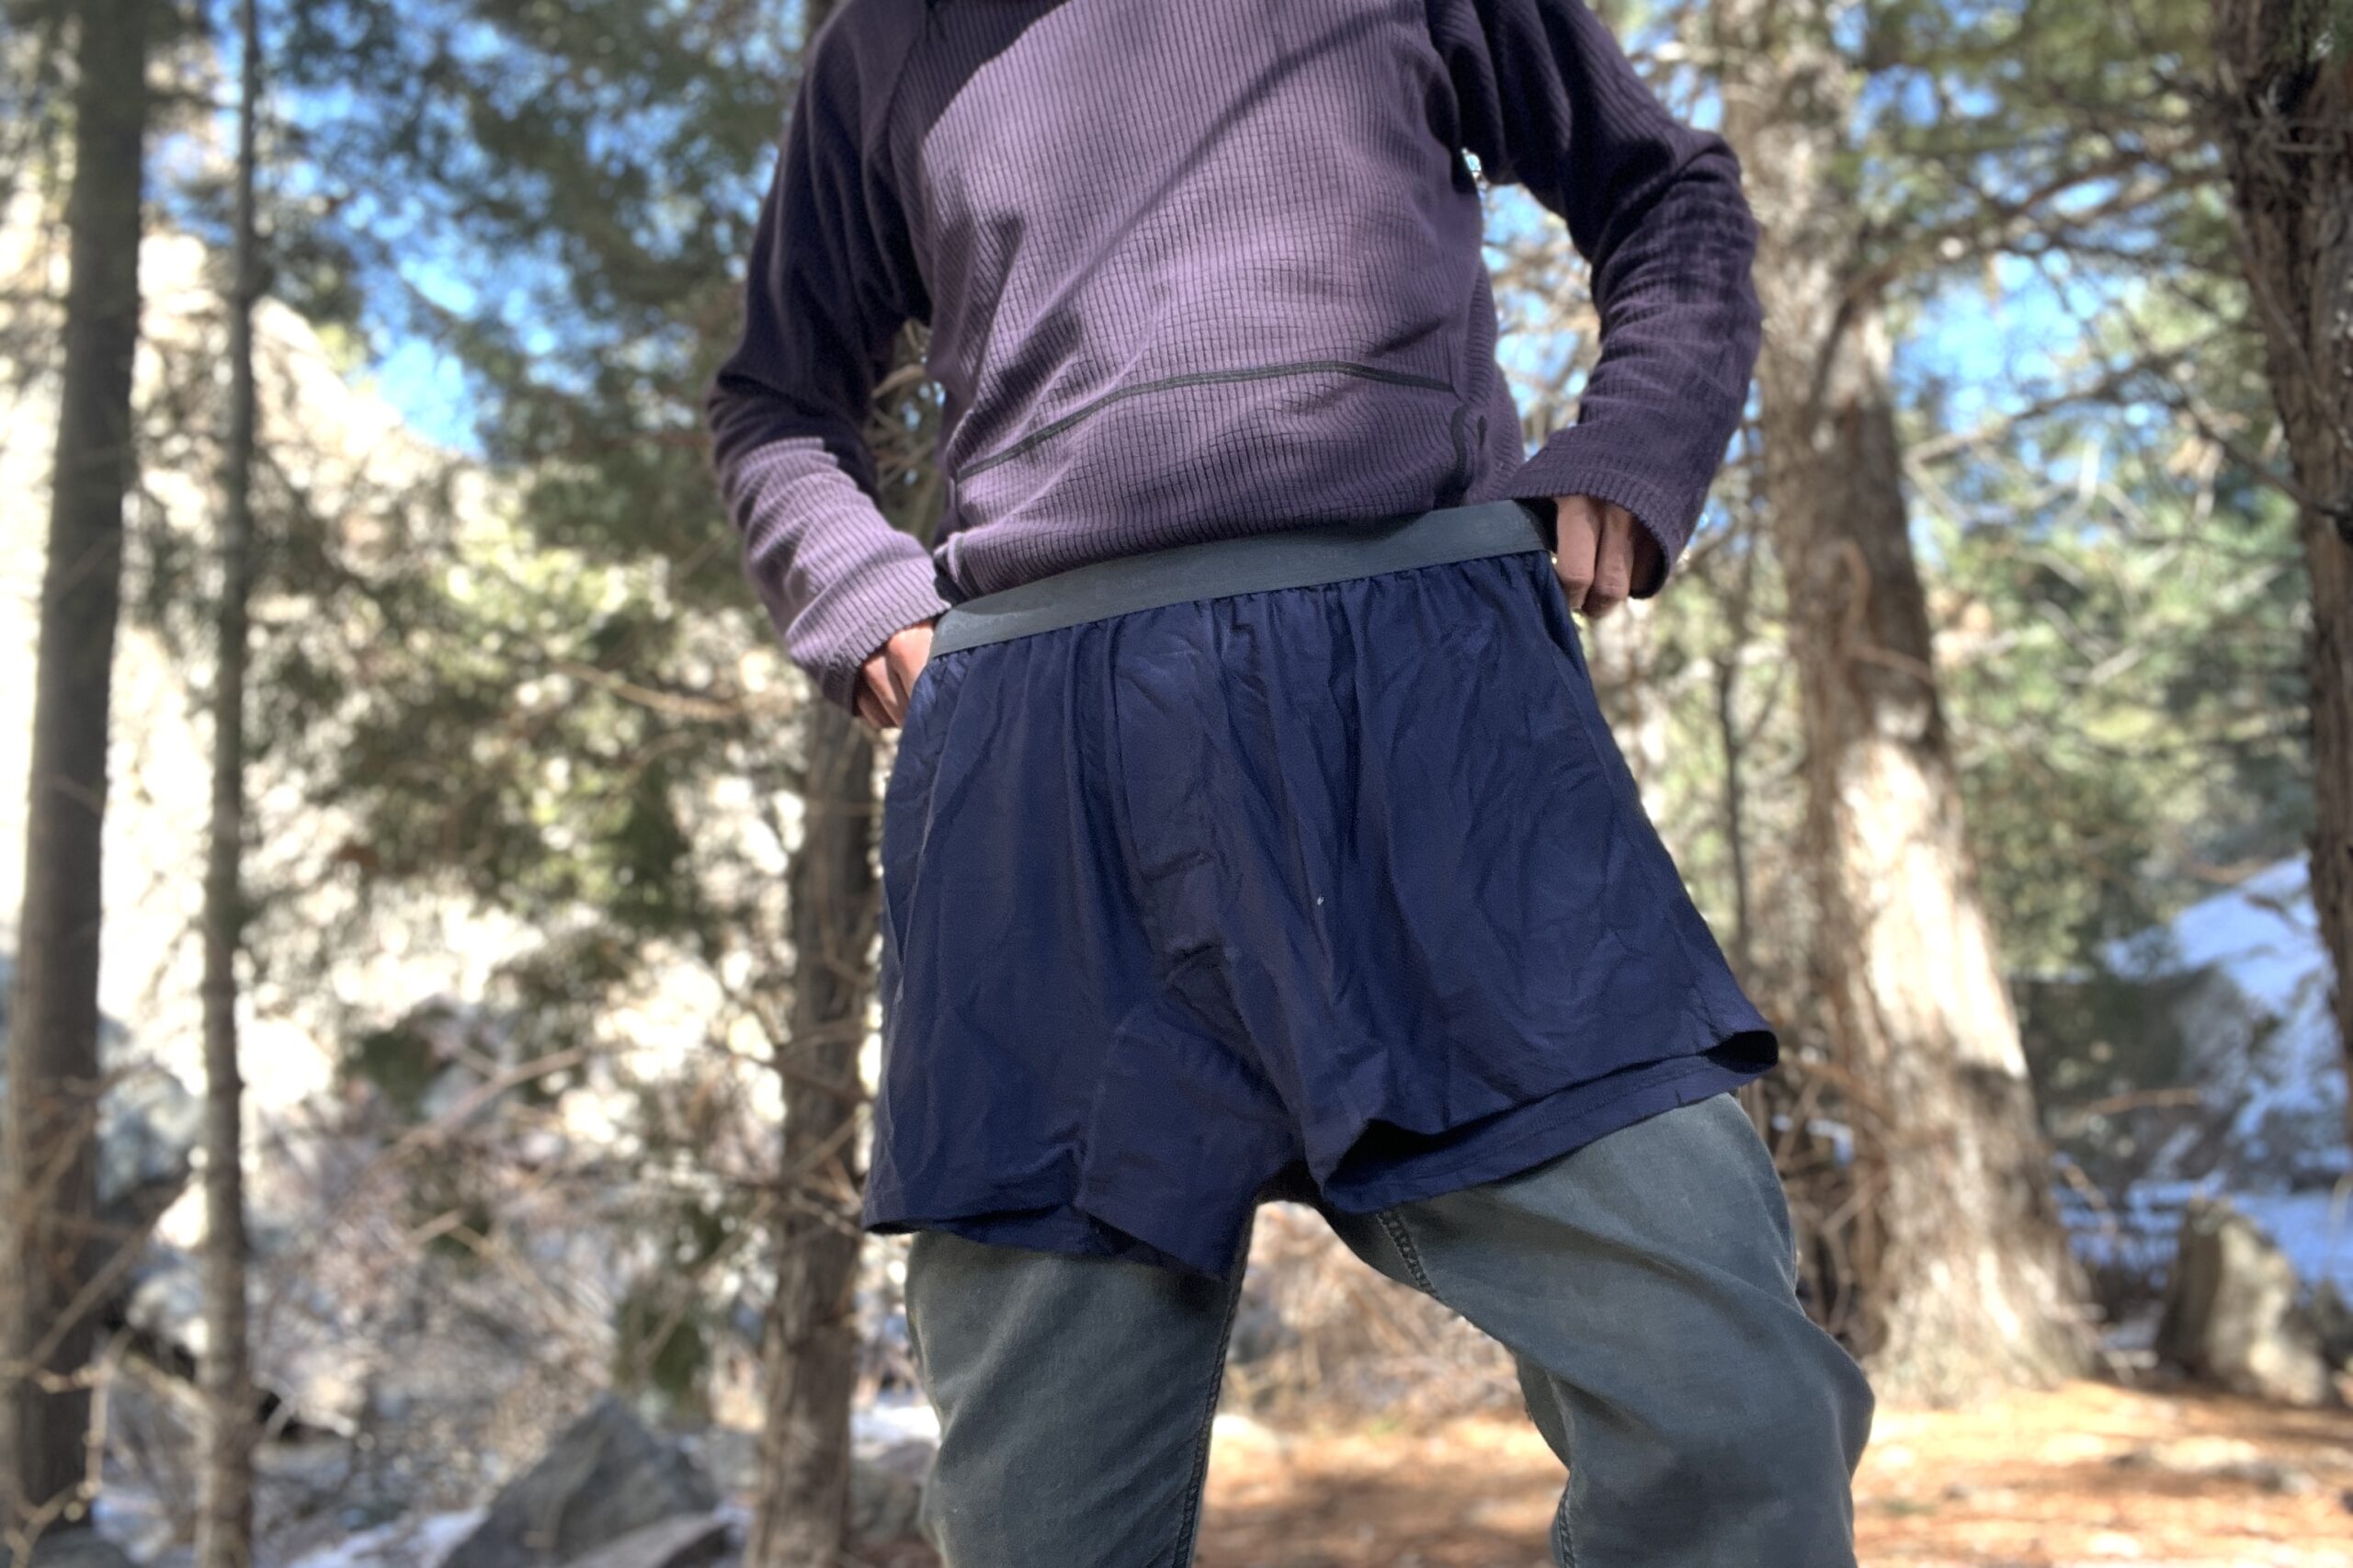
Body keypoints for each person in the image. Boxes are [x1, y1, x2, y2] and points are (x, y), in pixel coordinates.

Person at [702, 0, 1875, 1562]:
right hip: (1047, 789)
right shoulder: (888, 42)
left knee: (1735, 1415)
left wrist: (1645, 434)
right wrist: (855, 589)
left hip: (1436, 730)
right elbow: (776, 402)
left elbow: (1668, 190)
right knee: (1039, 1527)